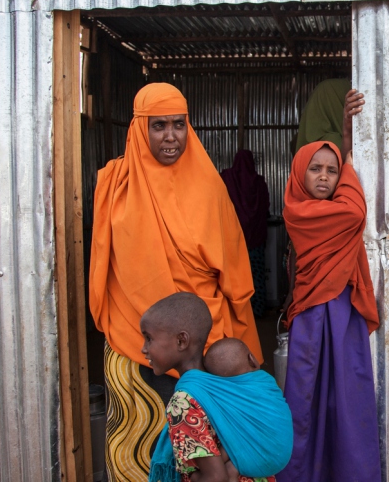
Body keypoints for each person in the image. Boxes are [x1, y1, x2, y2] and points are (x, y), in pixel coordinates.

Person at [89, 82, 262, 481]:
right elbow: (103, 264)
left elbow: (233, 270)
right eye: (159, 125)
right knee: (138, 450)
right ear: (139, 129)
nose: (171, 136)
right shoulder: (116, 184)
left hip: (200, 350)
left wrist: (235, 342)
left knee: (203, 459)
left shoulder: (209, 185)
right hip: (134, 346)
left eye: (179, 125)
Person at [278, 141, 382, 481]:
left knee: (347, 399)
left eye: (333, 170)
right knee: (305, 399)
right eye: (315, 168)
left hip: (342, 312)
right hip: (311, 314)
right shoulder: (297, 208)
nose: (324, 177)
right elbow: (354, 211)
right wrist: (350, 168)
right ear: (299, 173)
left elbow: (351, 210)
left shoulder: (332, 207)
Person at [143, 293, 291, 482]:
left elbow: (215, 478)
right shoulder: (223, 383)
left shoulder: (183, 403)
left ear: (181, 341)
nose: (144, 348)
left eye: (149, 338)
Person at [220, 150, 271, 318]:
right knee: (256, 273)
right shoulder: (259, 183)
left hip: (234, 239)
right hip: (255, 238)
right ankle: (258, 309)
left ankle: (238, 311)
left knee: (235, 275)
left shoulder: (228, 179)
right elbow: (265, 208)